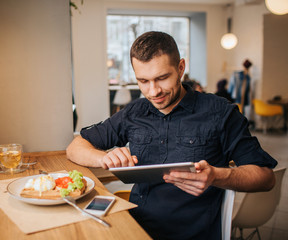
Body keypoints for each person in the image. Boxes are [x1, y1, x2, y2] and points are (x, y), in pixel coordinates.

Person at [66, 31, 277, 240]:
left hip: (192, 233)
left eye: (162, 78)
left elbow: (265, 177)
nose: (153, 91)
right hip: (135, 226)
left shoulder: (221, 112)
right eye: (143, 81)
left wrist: (217, 176)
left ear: (181, 68)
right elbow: (75, 147)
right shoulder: (134, 112)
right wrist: (104, 157)